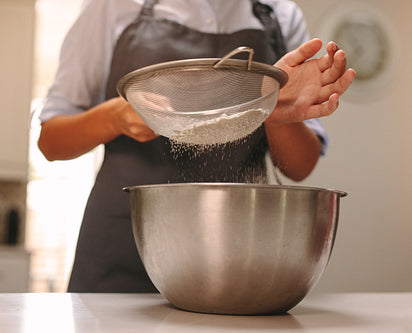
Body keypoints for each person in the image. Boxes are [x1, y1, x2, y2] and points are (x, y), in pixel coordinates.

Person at [37, 0, 355, 292]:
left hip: (236, 250)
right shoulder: (115, 5)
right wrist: (116, 116)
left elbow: (300, 166)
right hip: (125, 241)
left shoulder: (279, 15)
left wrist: (274, 108)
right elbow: (51, 141)